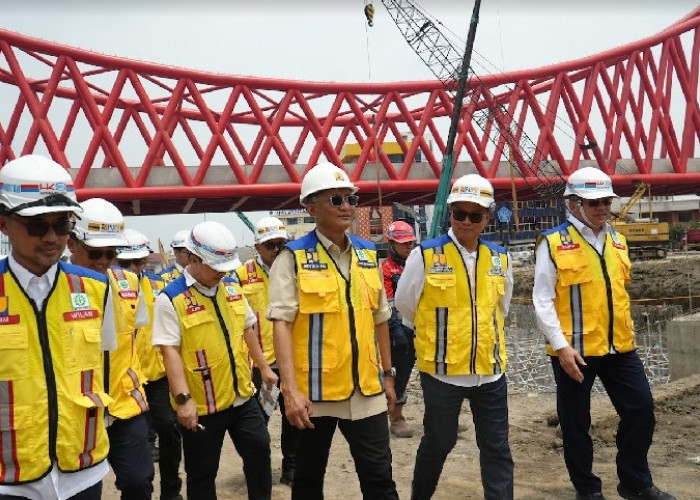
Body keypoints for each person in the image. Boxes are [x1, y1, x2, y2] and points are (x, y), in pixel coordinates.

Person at [532, 167, 675, 500]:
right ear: (573, 203)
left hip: (620, 347)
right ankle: (588, 490)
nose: (602, 208)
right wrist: (561, 347)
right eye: (593, 202)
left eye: (606, 201)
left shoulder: (617, 239)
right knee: (576, 425)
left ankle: (634, 481)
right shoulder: (553, 243)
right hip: (574, 352)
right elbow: (541, 300)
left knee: (641, 410)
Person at [267, 162, 399, 500]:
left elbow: (380, 319)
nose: (346, 207)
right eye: (336, 199)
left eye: (351, 199)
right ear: (311, 208)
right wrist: (290, 391)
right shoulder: (292, 258)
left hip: (366, 390)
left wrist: (387, 375)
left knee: (381, 480)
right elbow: (281, 325)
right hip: (315, 394)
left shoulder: (369, 254)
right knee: (308, 481)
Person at [0, 155, 115, 500]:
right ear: (4, 224)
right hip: (11, 478)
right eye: (37, 225)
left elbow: (106, 367)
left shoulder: (96, 289)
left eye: (62, 225)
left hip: (82, 470)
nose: (51, 237)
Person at [395, 173, 514, 500]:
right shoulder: (426, 255)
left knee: (497, 448)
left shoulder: (500, 258)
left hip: (490, 372)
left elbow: (500, 309)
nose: (466, 221)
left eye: (475, 215)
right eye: (459, 213)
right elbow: (405, 307)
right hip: (442, 374)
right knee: (438, 444)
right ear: (450, 214)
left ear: (487, 217)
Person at [152, 221, 276, 500]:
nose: (223, 273)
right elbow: (169, 352)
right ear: (194, 260)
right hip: (203, 405)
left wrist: (265, 368)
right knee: (202, 473)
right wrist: (183, 402)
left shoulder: (231, 287)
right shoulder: (170, 299)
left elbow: (248, 328)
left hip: (242, 396)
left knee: (260, 450)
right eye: (216, 267)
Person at [68, 198, 155, 500]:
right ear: (72, 242)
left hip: (124, 405)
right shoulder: (57, 289)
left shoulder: (131, 282)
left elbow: (140, 339)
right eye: (95, 252)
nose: (103, 260)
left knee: (139, 483)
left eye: (112, 253)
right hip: (77, 412)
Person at [117, 229, 183, 500]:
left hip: (156, 376)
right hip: (124, 381)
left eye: (139, 262)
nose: (134, 268)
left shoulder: (159, 286)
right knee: (139, 445)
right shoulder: (104, 287)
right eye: (127, 263)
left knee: (170, 429)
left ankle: (171, 492)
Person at [234, 216, 300, 486]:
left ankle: (291, 469)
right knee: (256, 422)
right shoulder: (240, 277)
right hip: (259, 364)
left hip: (293, 360)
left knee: (294, 416)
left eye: (280, 244)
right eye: (269, 244)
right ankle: (258, 469)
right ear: (257, 247)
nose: (276, 249)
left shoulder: (298, 271)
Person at [381, 220, 417, 438]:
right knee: (399, 374)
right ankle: (396, 417)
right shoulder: (386, 269)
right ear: (391, 244)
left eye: (410, 243)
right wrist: (395, 329)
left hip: (422, 326)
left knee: (434, 372)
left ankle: (440, 415)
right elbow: (387, 301)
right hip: (400, 329)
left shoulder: (418, 263)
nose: (408, 247)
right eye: (403, 243)